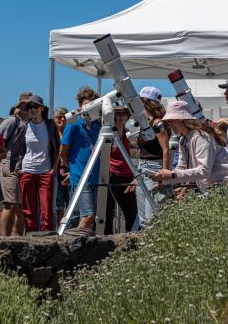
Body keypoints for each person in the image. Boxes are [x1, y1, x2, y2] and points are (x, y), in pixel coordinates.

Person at [151, 101, 228, 192]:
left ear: (180, 119)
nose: (169, 125)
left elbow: (204, 171)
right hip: (220, 185)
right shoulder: (183, 140)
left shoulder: (201, 137)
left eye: (170, 121)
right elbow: (182, 167)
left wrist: (171, 175)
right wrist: (165, 179)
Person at [15, 95, 60, 232]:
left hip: (45, 172)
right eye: (29, 107)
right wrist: (18, 168)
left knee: (47, 209)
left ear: (41, 108)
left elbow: (58, 150)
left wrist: (53, 170)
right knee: (29, 210)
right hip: (27, 171)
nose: (32, 109)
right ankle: (31, 237)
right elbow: (17, 148)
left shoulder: (50, 125)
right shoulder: (23, 126)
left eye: (35, 106)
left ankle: (47, 238)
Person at [60, 87, 101, 230]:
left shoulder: (99, 126)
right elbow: (63, 151)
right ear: (80, 106)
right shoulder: (73, 125)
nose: (89, 108)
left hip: (96, 177)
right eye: (86, 104)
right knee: (88, 215)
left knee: (83, 217)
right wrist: (69, 169)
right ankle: (77, 247)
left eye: (93, 104)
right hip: (80, 177)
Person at [135, 86, 170, 227]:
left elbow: (166, 150)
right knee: (143, 219)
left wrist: (165, 175)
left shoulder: (158, 123)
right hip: (143, 169)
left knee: (151, 218)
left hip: (154, 169)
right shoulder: (147, 123)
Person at [0, 92, 32, 236]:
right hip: (9, 165)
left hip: (23, 166)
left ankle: (17, 238)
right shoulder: (12, 120)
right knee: (10, 203)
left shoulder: (31, 122)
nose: (28, 108)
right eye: (26, 105)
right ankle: (4, 238)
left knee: (20, 205)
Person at [105, 106, 137, 235]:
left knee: (131, 213)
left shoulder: (129, 134)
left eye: (124, 113)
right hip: (111, 175)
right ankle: (106, 243)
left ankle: (131, 241)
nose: (121, 116)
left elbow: (135, 154)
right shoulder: (107, 134)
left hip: (128, 176)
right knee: (108, 213)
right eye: (117, 113)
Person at [53, 106, 70, 227]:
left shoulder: (71, 133)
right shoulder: (51, 135)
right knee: (59, 206)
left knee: (71, 205)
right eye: (59, 117)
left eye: (64, 117)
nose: (62, 120)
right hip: (56, 173)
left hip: (69, 172)